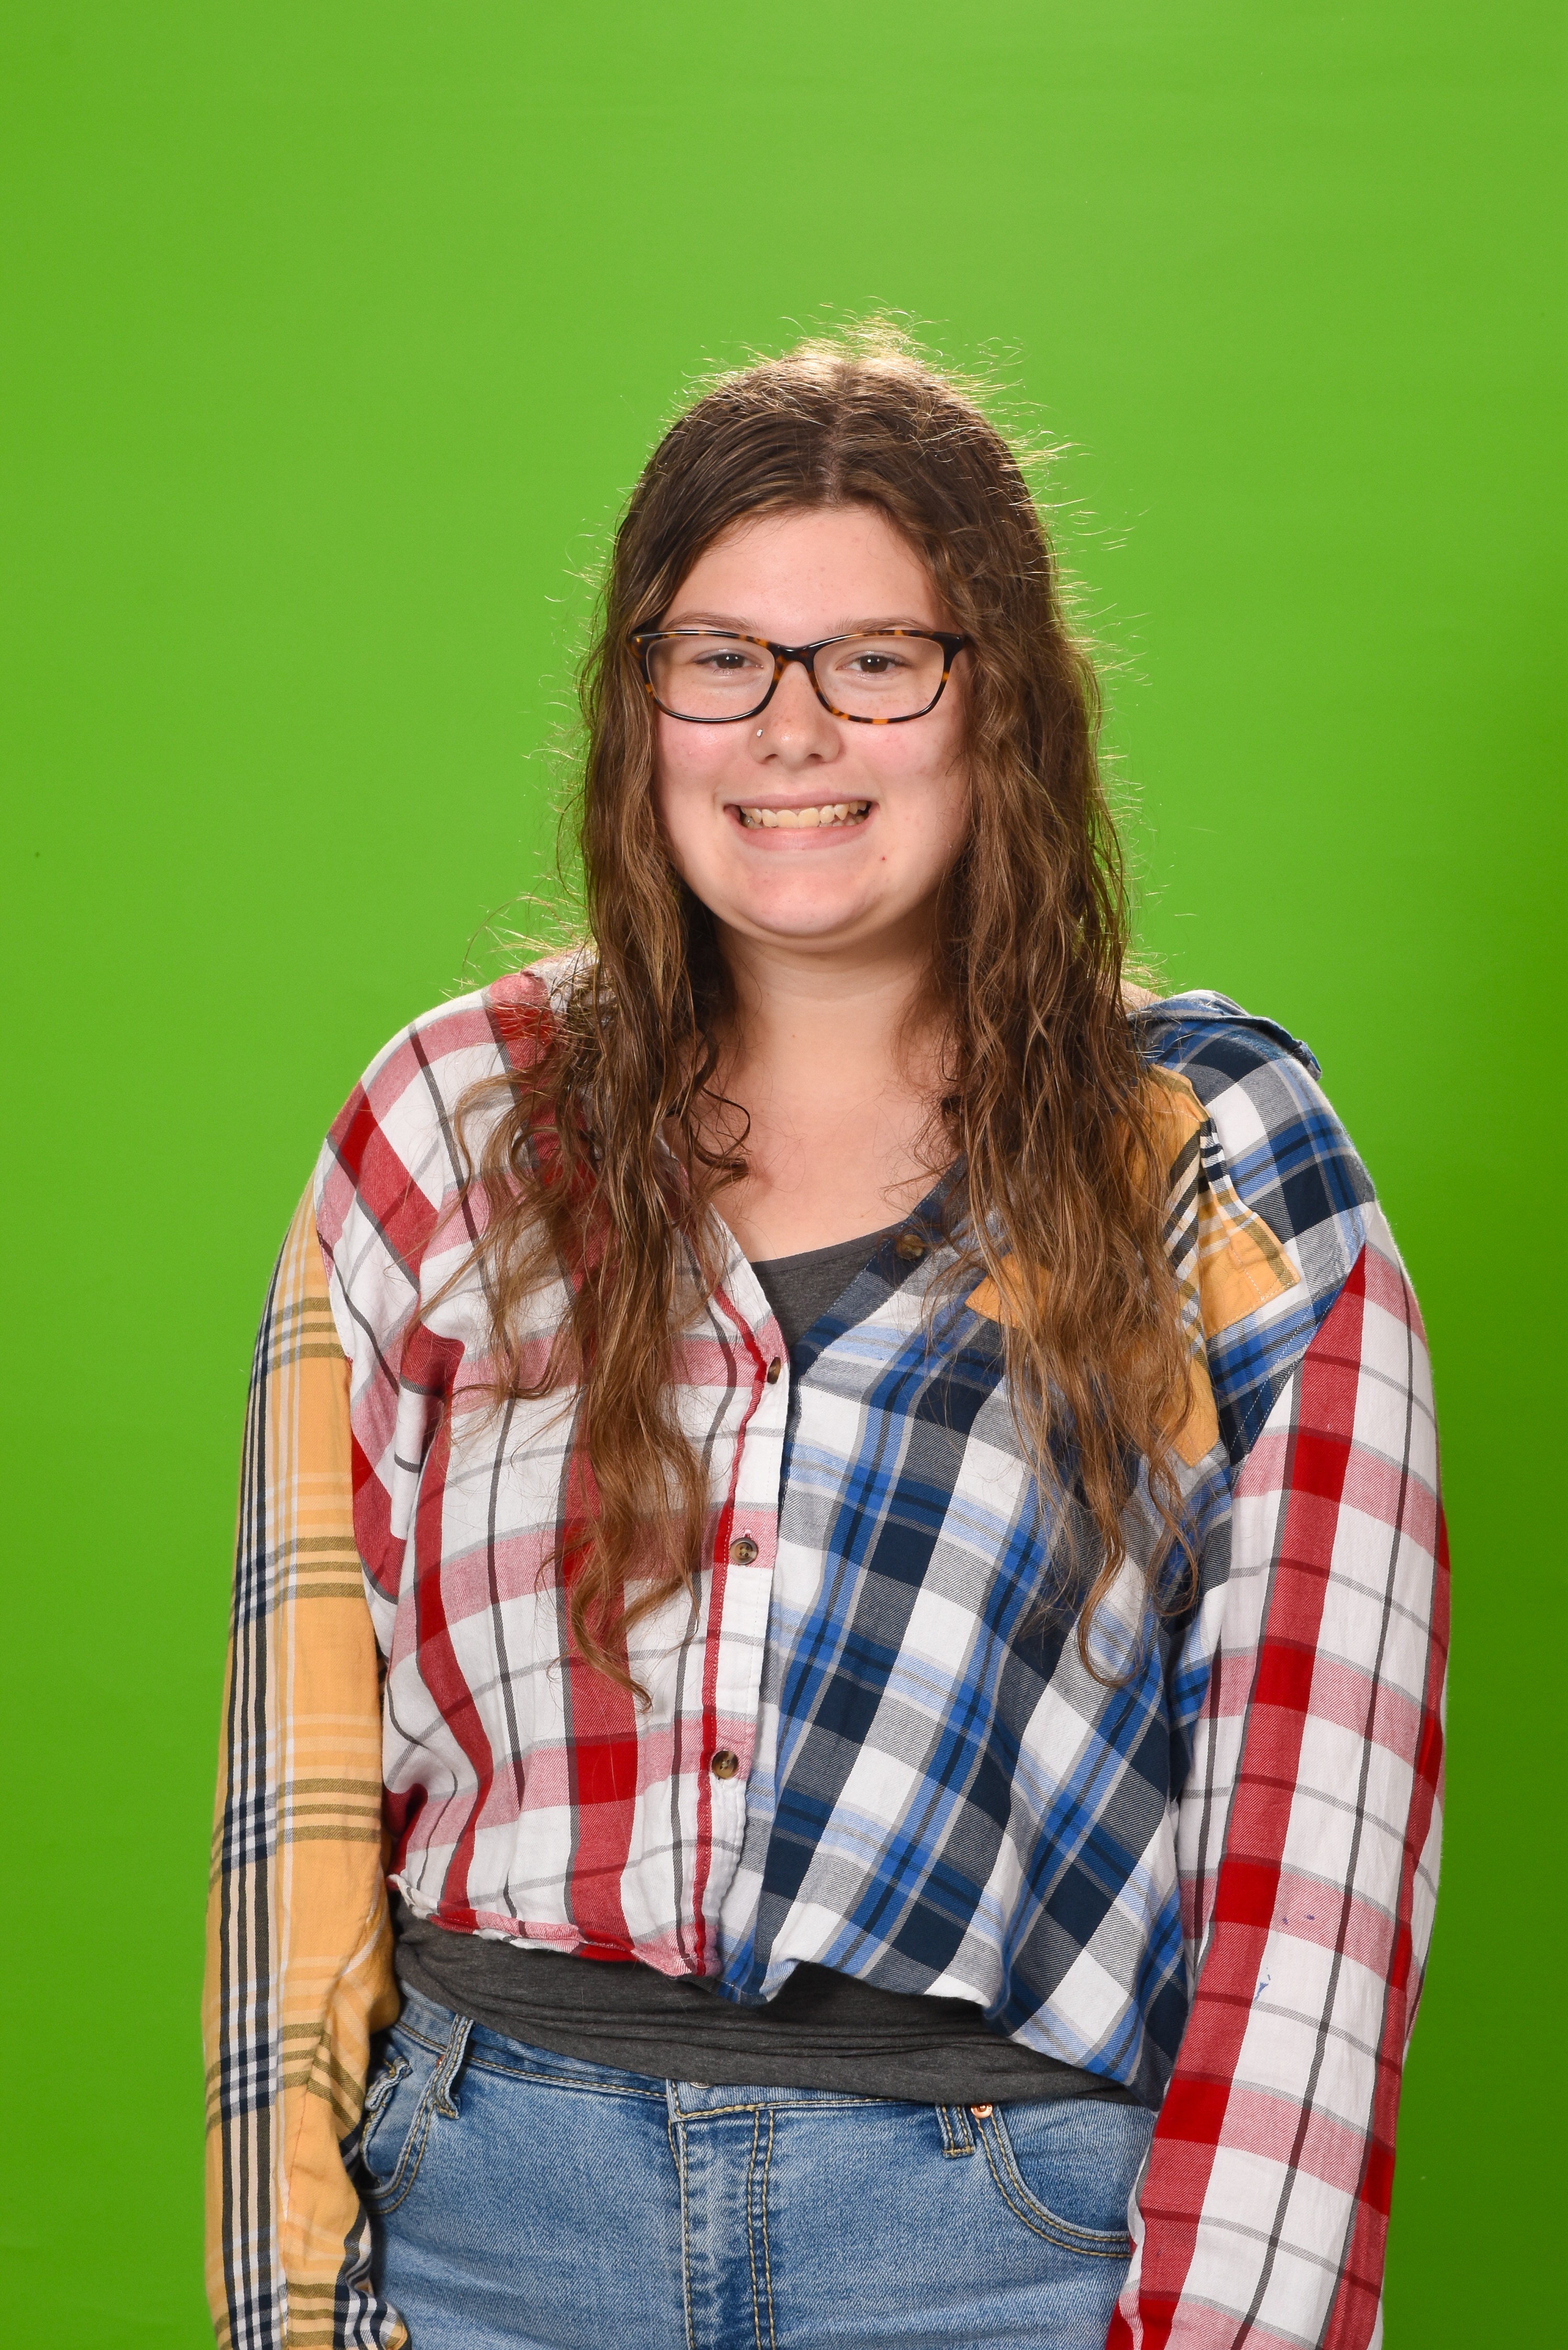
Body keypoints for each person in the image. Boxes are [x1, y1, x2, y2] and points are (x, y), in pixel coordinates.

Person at [204, 332, 1447, 2350]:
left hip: (1003, 2248)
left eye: (878, 659)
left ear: (1001, 703)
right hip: (486, 2228)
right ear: (642, 705)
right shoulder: (449, 1126)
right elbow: (298, 1793)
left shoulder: (1213, 1156)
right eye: (723, 658)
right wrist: (287, 2302)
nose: (792, 729)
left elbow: (1325, 1846)